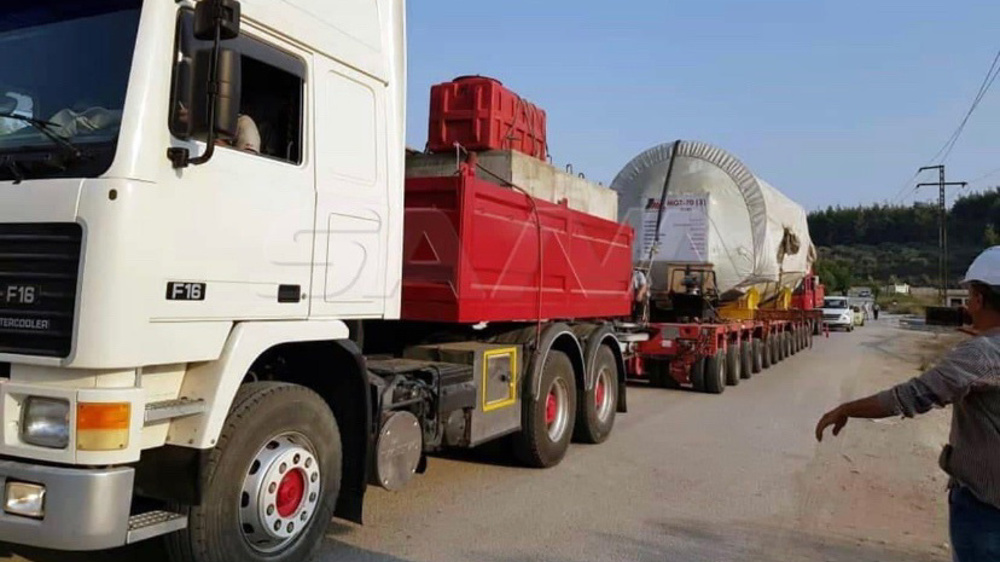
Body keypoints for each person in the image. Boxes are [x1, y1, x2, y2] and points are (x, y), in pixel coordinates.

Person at [815, 245, 1000, 562]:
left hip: (987, 512)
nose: (967, 304)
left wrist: (846, 409)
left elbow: (913, 396)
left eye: (969, 296)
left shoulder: (982, 355)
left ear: (980, 299)